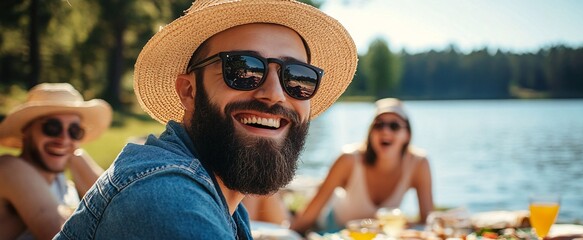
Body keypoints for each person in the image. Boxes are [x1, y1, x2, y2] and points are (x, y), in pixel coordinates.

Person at [55, 0, 357, 239]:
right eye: (244, 69)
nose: (275, 95)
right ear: (189, 90)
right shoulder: (167, 197)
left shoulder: (221, 194)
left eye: (297, 78)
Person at [290, 98, 435, 234]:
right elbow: (311, 213)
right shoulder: (349, 159)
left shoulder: (419, 164)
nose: (385, 131)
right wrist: (290, 234)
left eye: (394, 126)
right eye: (379, 125)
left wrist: (405, 225)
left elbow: (427, 222)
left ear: (407, 135)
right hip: (334, 228)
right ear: (370, 133)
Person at [0, 83, 112, 239]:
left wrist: (73, 153)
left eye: (74, 131)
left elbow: (119, 205)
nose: (64, 139)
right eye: (52, 127)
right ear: (26, 130)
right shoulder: (9, 169)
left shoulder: (62, 183)